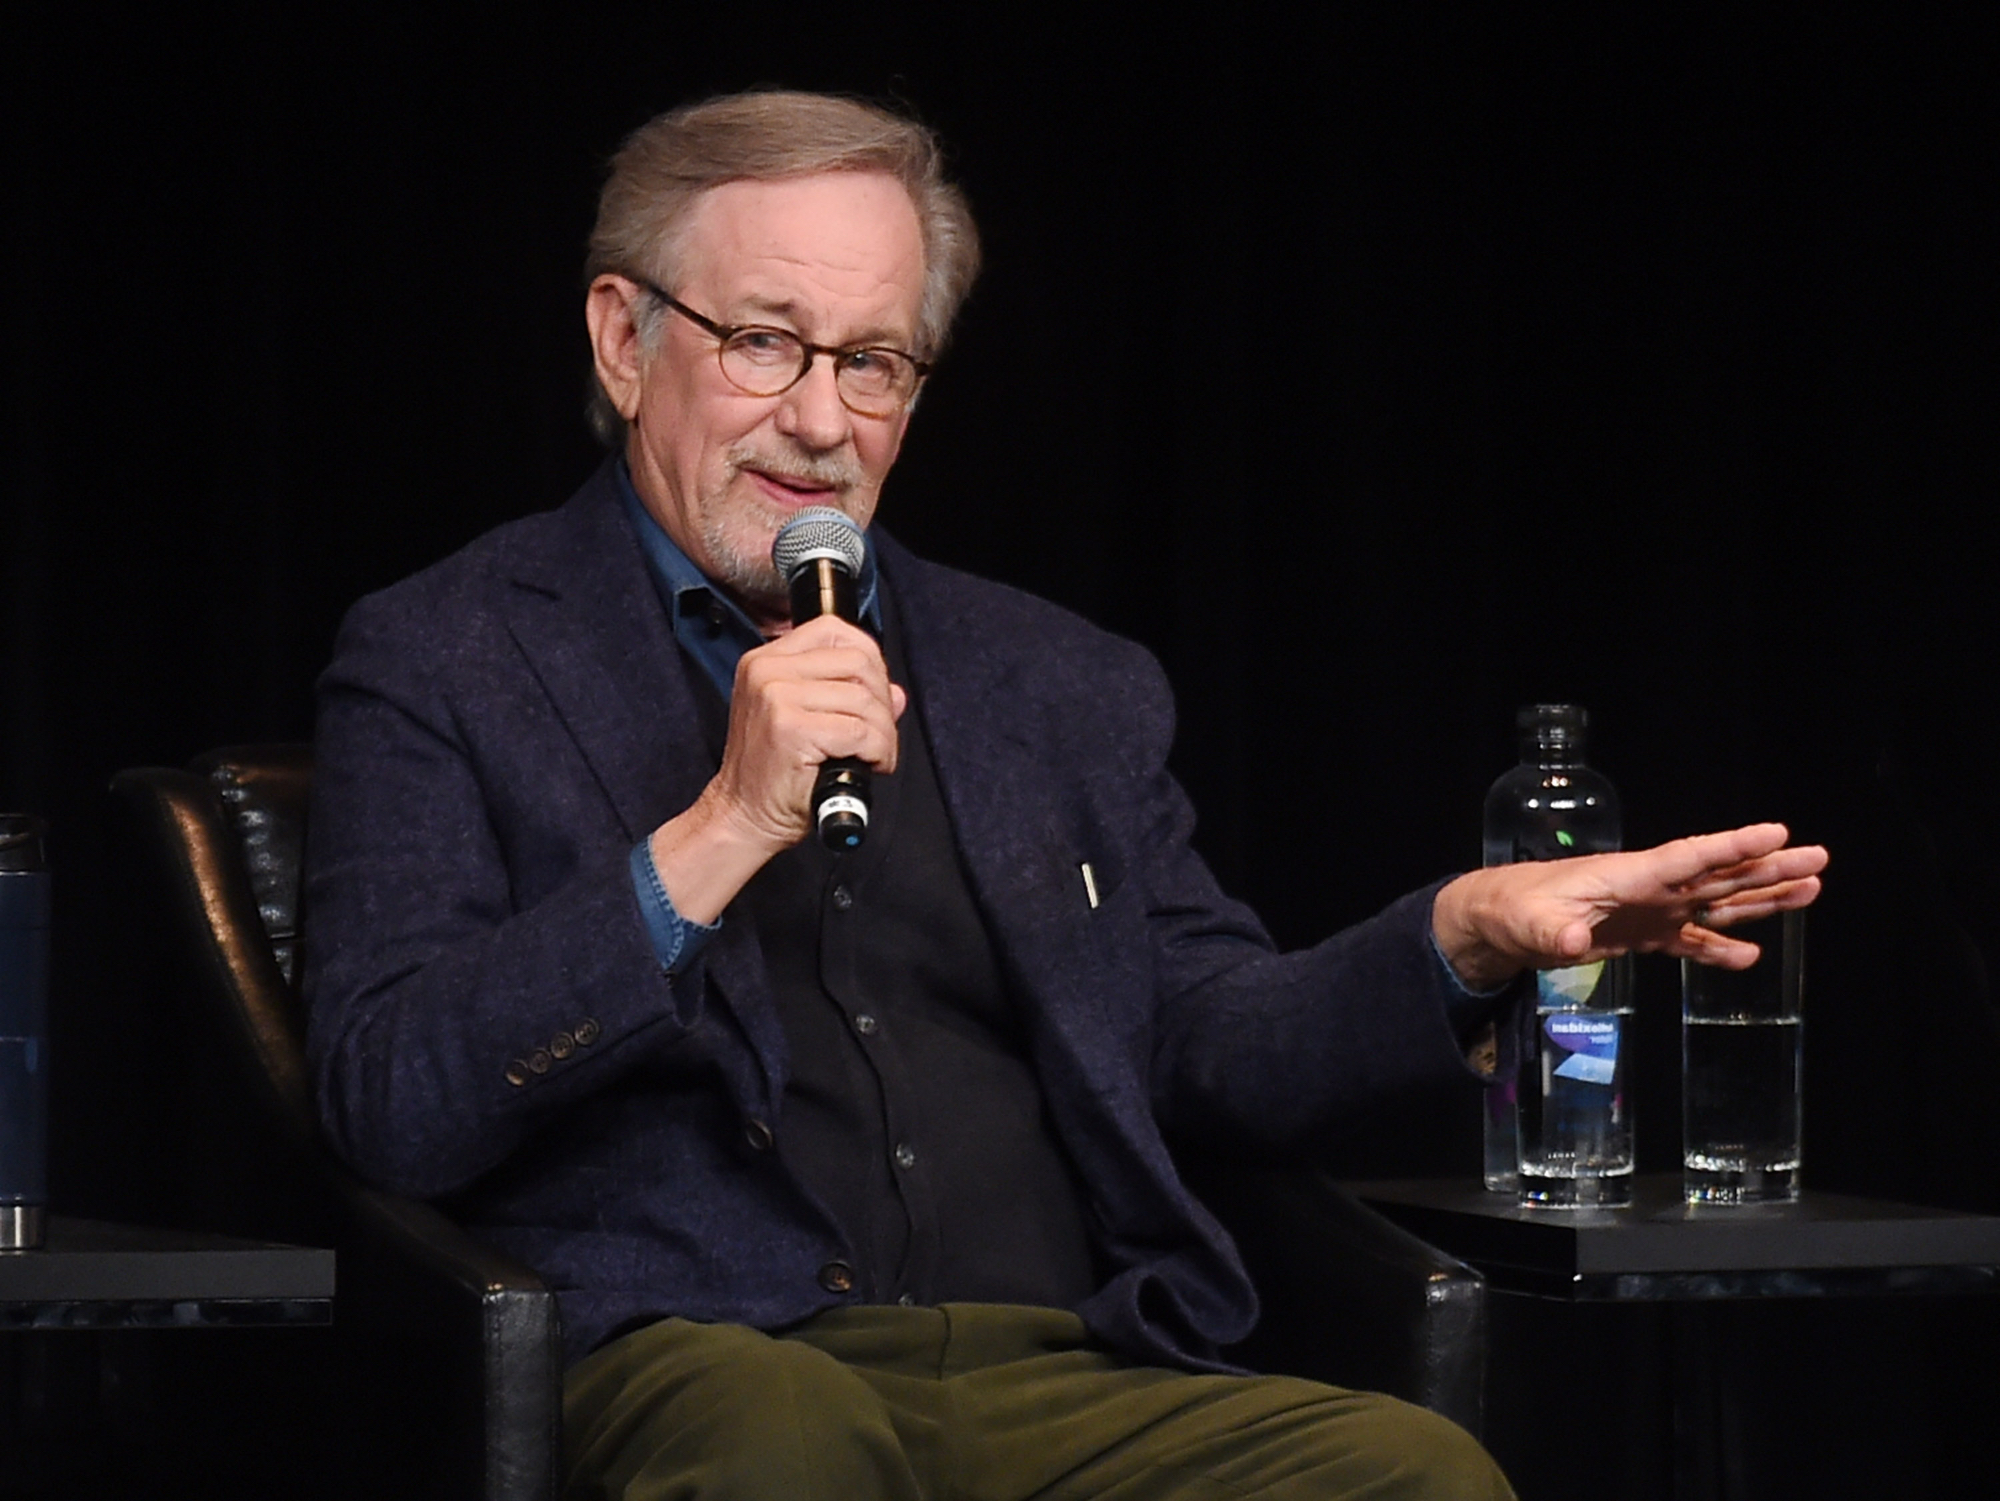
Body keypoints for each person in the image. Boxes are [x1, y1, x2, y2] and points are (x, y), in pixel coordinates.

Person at [303, 90, 1825, 1501]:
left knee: (1410, 1471)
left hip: (1065, 1362)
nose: (823, 423)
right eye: (765, 341)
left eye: (873, 361)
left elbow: (1210, 1042)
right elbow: (390, 1097)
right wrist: (719, 831)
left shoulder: (1055, 680)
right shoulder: (449, 653)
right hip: (704, 1355)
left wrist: (1462, 935)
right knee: (784, 1442)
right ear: (624, 342)